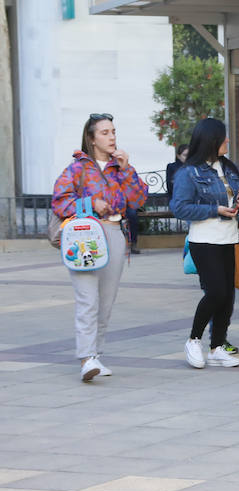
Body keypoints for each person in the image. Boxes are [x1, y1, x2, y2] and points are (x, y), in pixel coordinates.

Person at [51, 114, 149, 382]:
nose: (112, 136)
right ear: (92, 139)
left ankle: (95, 354)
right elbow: (59, 201)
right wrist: (90, 204)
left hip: (115, 233)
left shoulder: (120, 168)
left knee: (106, 300)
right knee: (87, 299)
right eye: (105, 132)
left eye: (113, 131)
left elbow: (139, 199)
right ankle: (86, 358)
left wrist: (127, 168)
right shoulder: (78, 169)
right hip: (85, 235)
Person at [171, 118, 239, 369]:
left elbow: (236, 196)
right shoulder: (189, 173)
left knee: (228, 296)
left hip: (229, 238)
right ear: (211, 141)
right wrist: (216, 210)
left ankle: (217, 347)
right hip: (204, 240)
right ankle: (194, 340)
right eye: (223, 137)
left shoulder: (229, 168)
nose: (227, 141)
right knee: (215, 292)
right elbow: (179, 207)